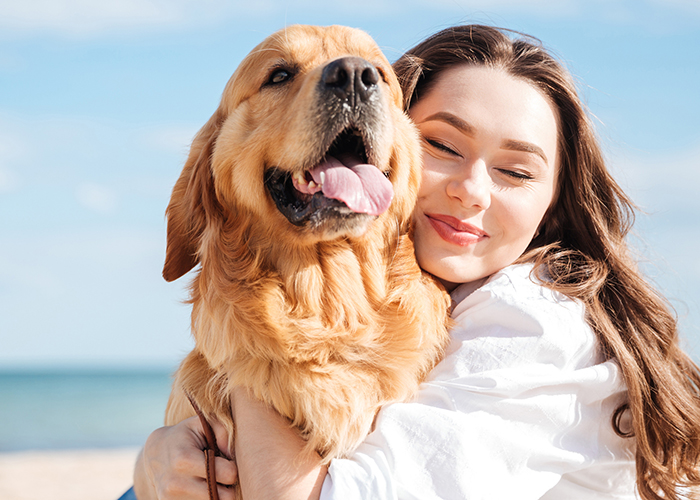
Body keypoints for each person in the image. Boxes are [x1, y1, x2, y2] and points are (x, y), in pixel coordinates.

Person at [130, 25, 700, 500]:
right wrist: (150, 469)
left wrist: (244, 343)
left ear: (553, 206)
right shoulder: (453, 297)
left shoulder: (531, 319)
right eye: (444, 147)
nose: (473, 190)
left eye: (517, 172)